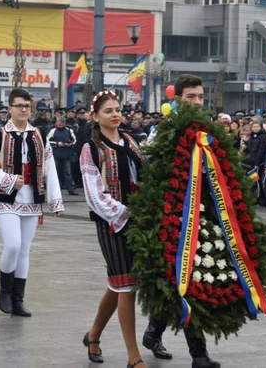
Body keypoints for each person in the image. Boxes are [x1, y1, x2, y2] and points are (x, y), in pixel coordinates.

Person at [141, 74, 221, 368]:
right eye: (191, 97)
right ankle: (198, 355)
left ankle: (153, 332)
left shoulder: (208, 131)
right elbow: (150, 171)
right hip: (172, 218)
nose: (198, 102)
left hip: (203, 219)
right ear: (178, 100)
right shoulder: (163, 130)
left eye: (201, 97)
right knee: (183, 284)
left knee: (187, 284)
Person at [0, 88, 63, 317]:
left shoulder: (39, 135)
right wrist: (6, 180)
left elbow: (50, 167)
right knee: (13, 245)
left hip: (32, 198)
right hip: (7, 198)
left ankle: (18, 299)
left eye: (27, 106)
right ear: (10, 109)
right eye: (19, 106)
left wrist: (55, 199)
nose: (24, 110)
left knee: (24, 249)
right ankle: (5, 291)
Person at [81, 90, 147, 368]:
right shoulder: (91, 148)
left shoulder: (130, 141)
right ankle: (134, 357)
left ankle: (94, 335)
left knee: (119, 283)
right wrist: (125, 214)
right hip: (112, 223)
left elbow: (144, 175)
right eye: (108, 111)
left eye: (118, 109)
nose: (115, 114)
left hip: (138, 219)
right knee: (127, 284)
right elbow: (95, 196)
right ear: (96, 116)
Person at [47, 116, 78, 196]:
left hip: (66, 155)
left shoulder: (69, 130)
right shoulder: (52, 130)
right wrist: (57, 143)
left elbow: (74, 140)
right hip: (56, 155)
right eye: (59, 123)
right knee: (55, 173)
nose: (61, 125)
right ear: (56, 123)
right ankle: (55, 191)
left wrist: (70, 144)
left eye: (62, 123)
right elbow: (47, 141)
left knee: (68, 173)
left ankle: (71, 190)